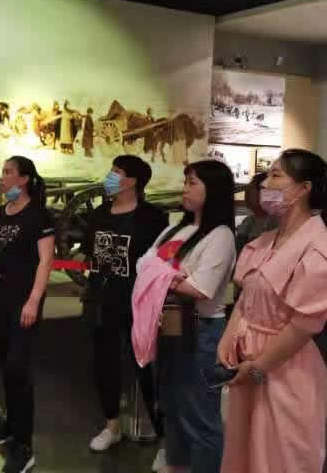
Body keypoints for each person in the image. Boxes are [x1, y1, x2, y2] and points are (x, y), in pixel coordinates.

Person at [219, 149, 327, 473]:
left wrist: (258, 368)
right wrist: (229, 337)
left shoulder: (319, 252)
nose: (266, 183)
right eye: (268, 175)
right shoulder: (266, 240)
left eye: (276, 175)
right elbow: (248, 297)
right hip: (248, 364)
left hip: (284, 369)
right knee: (243, 453)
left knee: (279, 458)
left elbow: (303, 326)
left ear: (304, 188)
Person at [141, 159, 236, 473]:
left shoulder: (220, 236)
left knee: (199, 414)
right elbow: (144, 264)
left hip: (201, 331)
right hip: (168, 327)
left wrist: (160, 275)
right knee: (172, 407)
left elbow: (201, 288)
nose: (185, 189)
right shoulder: (175, 228)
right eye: (186, 182)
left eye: (193, 183)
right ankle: (177, 466)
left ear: (214, 190)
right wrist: (168, 276)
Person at [84, 155, 169, 452]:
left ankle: (165, 438)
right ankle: (111, 425)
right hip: (102, 300)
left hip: (139, 303)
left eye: (116, 171)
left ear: (132, 181)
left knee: (146, 367)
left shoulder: (153, 218)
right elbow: (89, 252)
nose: (110, 176)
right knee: (105, 363)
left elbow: (161, 261)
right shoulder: (99, 214)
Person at [0, 156, 55, 473]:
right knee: (6, 367)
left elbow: (46, 261)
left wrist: (34, 301)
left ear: (24, 179)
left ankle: (24, 446)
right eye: (2, 172)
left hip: (23, 303)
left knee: (19, 369)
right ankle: (11, 424)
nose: (3, 177)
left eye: (8, 172)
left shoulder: (39, 215)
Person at [235, 172, 277, 254]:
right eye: (247, 190)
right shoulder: (248, 221)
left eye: (250, 190)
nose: (246, 193)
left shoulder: (274, 224)